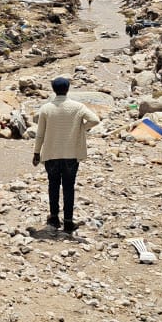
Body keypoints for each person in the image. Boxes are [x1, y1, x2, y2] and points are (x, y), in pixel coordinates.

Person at [32, 76, 100, 234]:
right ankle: (68, 221)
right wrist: (81, 128)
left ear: (53, 90)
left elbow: (40, 134)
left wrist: (36, 153)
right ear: (68, 89)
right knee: (69, 187)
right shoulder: (77, 107)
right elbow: (94, 120)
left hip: (51, 154)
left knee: (53, 185)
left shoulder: (46, 108)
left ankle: (54, 218)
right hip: (71, 154)